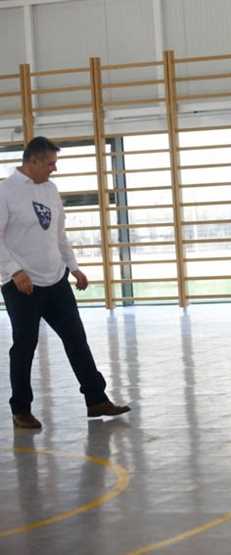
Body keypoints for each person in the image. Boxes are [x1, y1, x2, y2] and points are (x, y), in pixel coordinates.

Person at [0, 137, 130, 429]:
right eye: (50, 163)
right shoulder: (5, 191)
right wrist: (15, 271)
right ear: (33, 161)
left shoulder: (50, 189)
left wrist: (74, 267)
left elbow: (58, 235)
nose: (54, 169)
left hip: (56, 280)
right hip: (22, 285)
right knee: (24, 346)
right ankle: (21, 409)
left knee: (76, 339)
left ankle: (96, 399)